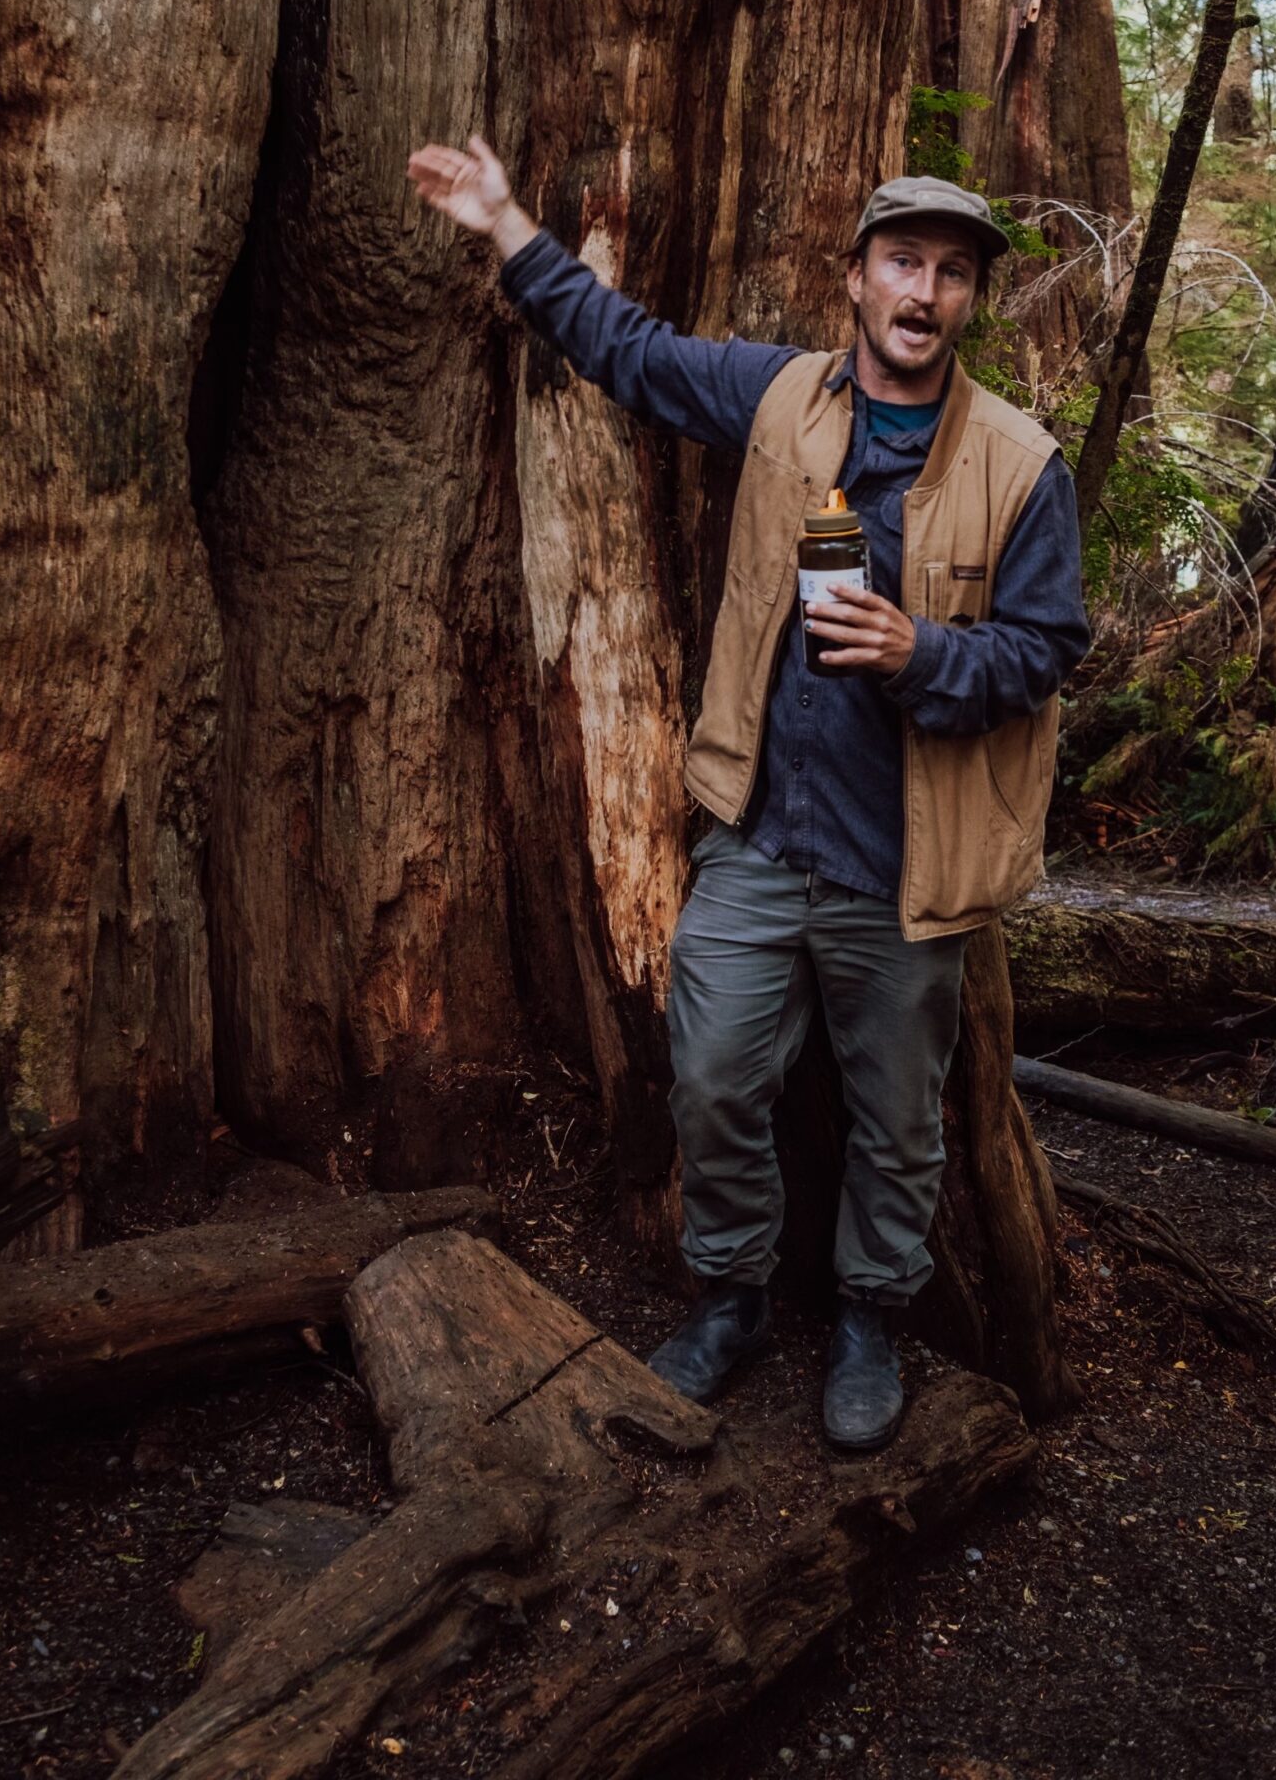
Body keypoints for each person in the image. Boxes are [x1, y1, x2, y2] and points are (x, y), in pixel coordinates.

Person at [406, 137, 1091, 1450]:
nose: (923, 293)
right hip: (762, 841)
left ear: (969, 303)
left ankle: (870, 1322)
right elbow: (631, 351)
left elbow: (1047, 650)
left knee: (896, 1126)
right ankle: (727, 1296)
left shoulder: (1020, 464)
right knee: (713, 1077)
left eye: (952, 275)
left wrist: (922, 651)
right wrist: (504, 225)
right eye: (904, 262)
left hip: (912, 869)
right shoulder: (781, 401)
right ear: (856, 278)